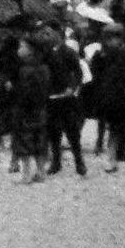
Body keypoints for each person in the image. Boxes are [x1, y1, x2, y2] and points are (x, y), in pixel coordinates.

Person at [87, 23, 125, 174]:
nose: (110, 41)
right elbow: (96, 75)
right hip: (111, 97)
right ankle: (113, 160)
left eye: (113, 38)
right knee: (113, 130)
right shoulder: (102, 56)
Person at [38, 25, 86, 176]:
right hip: (50, 96)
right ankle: (56, 161)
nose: (45, 37)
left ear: (58, 33)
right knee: (53, 131)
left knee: (72, 131)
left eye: (48, 33)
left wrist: (72, 87)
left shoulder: (69, 52)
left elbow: (78, 72)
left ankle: (79, 161)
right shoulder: (44, 53)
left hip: (66, 97)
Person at [6, 35, 50, 184]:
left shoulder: (24, 69)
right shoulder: (44, 67)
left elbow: (24, 91)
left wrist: (12, 89)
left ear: (30, 49)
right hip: (41, 108)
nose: (19, 50)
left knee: (23, 140)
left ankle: (26, 175)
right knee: (40, 139)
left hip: (24, 110)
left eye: (22, 46)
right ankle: (41, 171)